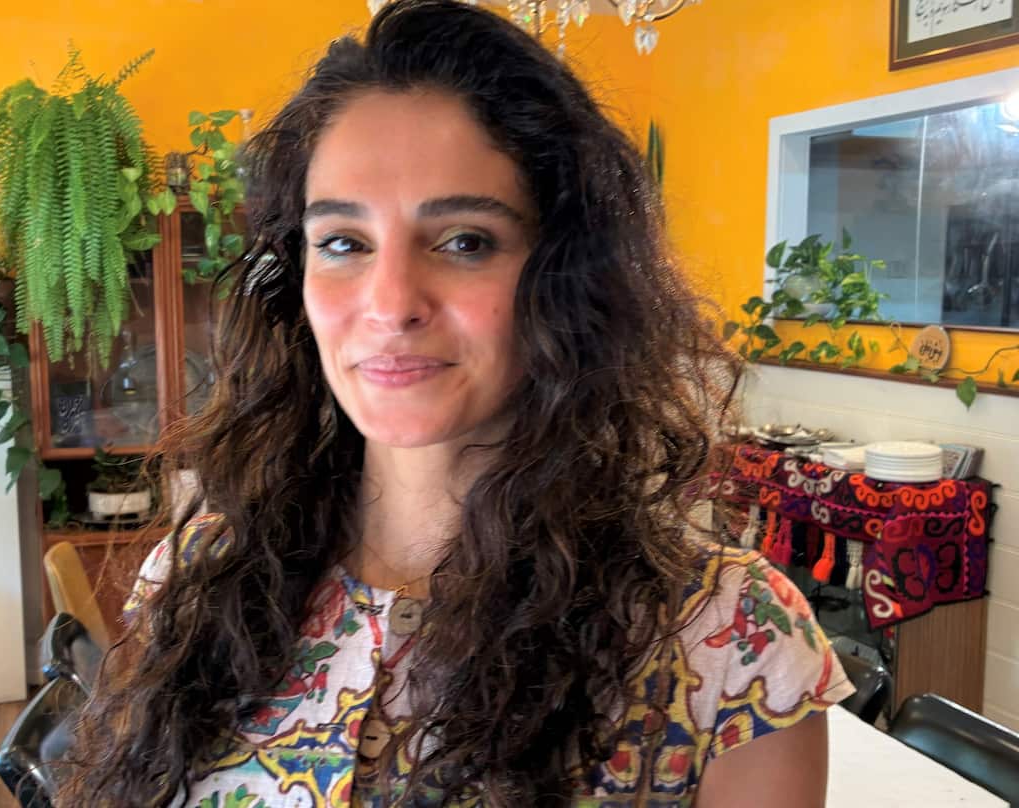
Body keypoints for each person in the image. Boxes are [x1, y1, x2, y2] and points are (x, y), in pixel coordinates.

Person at [62, 2, 853, 805]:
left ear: (567, 280)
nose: (391, 303)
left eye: (465, 240)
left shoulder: (730, 637)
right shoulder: (197, 576)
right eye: (342, 242)